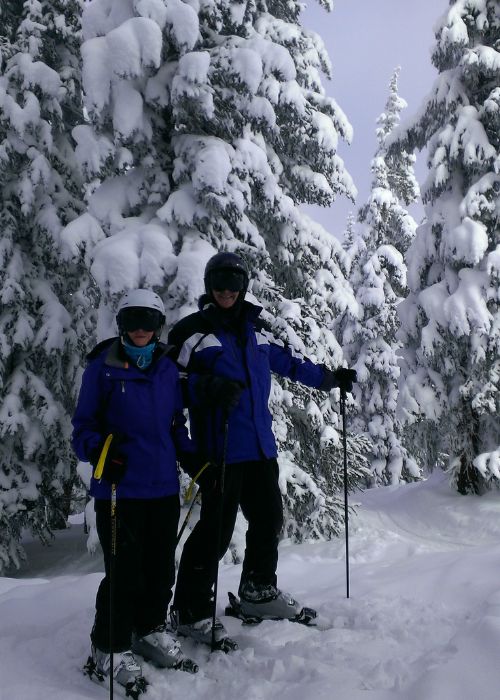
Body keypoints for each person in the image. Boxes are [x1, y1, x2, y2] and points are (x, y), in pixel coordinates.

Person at [167, 251, 357, 645]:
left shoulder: (256, 330)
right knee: (214, 535)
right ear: (209, 286)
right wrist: (205, 390)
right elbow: (168, 387)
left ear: (243, 286)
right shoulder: (193, 333)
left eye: (233, 284)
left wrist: (330, 379)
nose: (226, 291)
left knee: (269, 519)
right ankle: (190, 611)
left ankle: (257, 593)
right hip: (219, 452)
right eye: (219, 284)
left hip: (258, 448)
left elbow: (290, 364)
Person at [72, 289, 202, 691]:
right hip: (119, 490)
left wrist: (192, 459)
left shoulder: (166, 366)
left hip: (161, 487)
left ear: (159, 326)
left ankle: (147, 629)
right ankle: (106, 647)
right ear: (121, 324)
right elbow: (83, 429)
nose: (141, 330)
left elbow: (174, 424)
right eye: (133, 320)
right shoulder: (103, 365)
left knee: (160, 568)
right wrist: (101, 453)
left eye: (149, 321)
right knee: (123, 573)